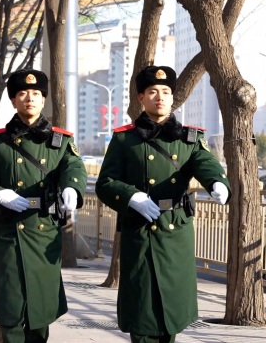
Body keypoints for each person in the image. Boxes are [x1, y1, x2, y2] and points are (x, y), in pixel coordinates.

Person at [95, 65, 231, 343]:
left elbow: (205, 163)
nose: (160, 97)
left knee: (172, 313)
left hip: (175, 233)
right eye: (153, 91)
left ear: (173, 98)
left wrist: (217, 182)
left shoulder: (189, 138)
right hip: (140, 232)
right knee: (142, 310)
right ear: (141, 98)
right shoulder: (125, 139)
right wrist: (132, 197)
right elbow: (105, 183)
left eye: (166, 91)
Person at [0, 69, 87, 342]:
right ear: (13, 100)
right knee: (10, 310)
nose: (29, 99)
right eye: (22, 93)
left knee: (40, 312)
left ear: (43, 99)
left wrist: (72, 187)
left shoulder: (60, 141)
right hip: (10, 233)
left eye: (35, 94)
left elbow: (74, 168)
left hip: (44, 233)